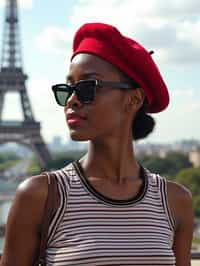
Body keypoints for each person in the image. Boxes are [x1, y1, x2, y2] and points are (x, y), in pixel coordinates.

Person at [1, 22, 193, 266]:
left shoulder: (175, 200)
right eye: (68, 89)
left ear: (133, 99)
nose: (72, 100)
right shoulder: (40, 196)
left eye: (87, 88)